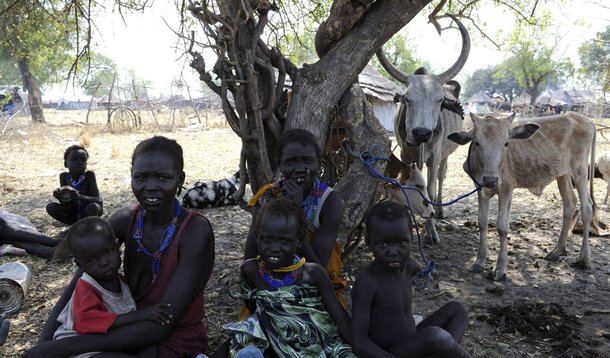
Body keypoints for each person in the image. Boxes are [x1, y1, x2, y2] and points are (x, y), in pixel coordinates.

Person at [27, 136, 215, 358]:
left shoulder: (194, 231)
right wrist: (42, 346)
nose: (151, 187)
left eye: (164, 178)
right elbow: (76, 287)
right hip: (119, 330)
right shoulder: (127, 220)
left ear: (180, 179)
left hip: (169, 338)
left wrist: (64, 347)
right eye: (141, 177)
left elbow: (162, 325)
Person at [221, 198, 354, 357]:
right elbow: (253, 307)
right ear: (257, 238)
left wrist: (359, 346)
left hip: (314, 344)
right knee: (239, 340)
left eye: (285, 241)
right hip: (271, 340)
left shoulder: (312, 274)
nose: (275, 248)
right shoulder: (251, 271)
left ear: (299, 242)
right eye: (267, 239)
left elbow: (339, 317)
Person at [351, 201, 472, 358]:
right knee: (435, 336)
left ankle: (445, 352)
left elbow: (420, 267)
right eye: (382, 244)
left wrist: (428, 271)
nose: (393, 252)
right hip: (390, 352)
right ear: (368, 243)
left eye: (401, 243)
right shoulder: (367, 282)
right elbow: (359, 343)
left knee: (457, 310)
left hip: (412, 340)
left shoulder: (409, 266)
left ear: (411, 239)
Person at [244, 128, 346, 308]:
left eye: (307, 161)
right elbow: (250, 258)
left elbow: (318, 267)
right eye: (290, 162)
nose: (300, 168)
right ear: (279, 164)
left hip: (313, 291)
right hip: (268, 285)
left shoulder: (329, 202)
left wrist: (296, 209)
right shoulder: (266, 198)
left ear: (319, 162)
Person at [53, 216, 172, 357]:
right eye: (91, 260)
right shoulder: (87, 287)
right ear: (80, 265)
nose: (103, 262)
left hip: (108, 341)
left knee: (150, 345)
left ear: (117, 248)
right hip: (80, 347)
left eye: (107, 252)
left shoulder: (121, 281)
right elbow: (88, 322)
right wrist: (141, 315)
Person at [46, 145, 103, 225]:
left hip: (89, 211)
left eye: (83, 160)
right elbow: (66, 203)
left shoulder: (89, 176)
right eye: (74, 160)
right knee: (51, 207)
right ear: (66, 164)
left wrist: (79, 197)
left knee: (93, 207)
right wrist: (60, 197)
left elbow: (97, 200)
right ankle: (75, 226)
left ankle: (85, 227)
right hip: (74, 212)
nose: (79, 163)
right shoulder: (64, 177)